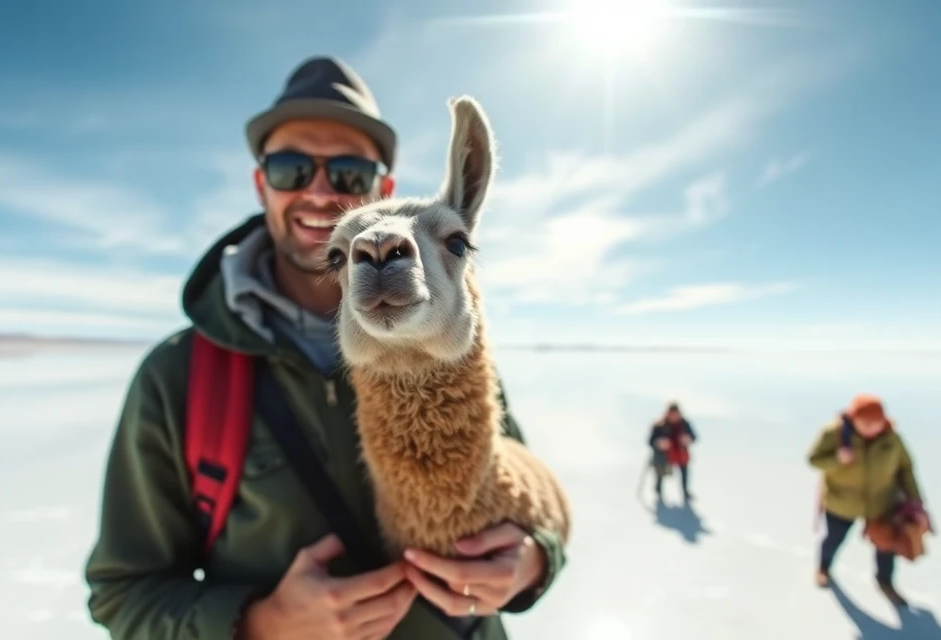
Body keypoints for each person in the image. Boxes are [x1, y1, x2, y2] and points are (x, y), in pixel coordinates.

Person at [82, 56, 567, 640]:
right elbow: (123, 594)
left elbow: (522, 477)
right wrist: (260, 627)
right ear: (261, 183)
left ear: (381, 189)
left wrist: (534, 559)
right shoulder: (180, 379)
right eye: (289, 168)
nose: (317, 190)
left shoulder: (453, 353)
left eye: (346, 172)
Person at [806, 394, 928, 607]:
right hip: (841, 503)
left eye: (877, 423)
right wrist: (837, 459)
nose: (872, 428)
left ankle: (885, 582)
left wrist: (915, 500)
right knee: (833, 539)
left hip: (881, 504)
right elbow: (813, 460)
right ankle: (823, 568)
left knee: (887, 546)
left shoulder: (892, 439)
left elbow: (905, 469)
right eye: (866, 423)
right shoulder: (833, 434)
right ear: (853, 419)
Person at [647, 402, 696, 503]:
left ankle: (685, 491)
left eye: (676, 414)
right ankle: (658, 490)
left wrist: (688, 439)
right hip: (664, 456)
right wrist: (659, 443)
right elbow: (651, 441)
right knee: (660, 473)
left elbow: (694, 437)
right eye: (672, 414)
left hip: (680, 454)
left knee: (684, 472)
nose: (674, 417)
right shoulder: (659, 425)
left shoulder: (684, 424)